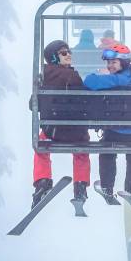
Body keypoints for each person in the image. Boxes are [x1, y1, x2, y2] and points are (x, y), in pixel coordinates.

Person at [83, 44, 131, 201]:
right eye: (108, 63)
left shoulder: (118, 79)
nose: (109, 66)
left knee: (106, 151)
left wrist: (101, 74)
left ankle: (107, 187)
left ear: (124, 62)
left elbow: (89, 82)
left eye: (113, 62)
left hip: (116, 132)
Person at [32, 40, 90, 208]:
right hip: (76, 134)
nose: (69, 55)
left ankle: (42, 181)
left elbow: (32, 105)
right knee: (82, 150)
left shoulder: (42, 79)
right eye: (64, 53)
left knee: (40, 147)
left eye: (69, 52)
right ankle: (80, 187)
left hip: (53, 132)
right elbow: (85, 100)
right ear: (54, 58)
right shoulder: (73, 76)